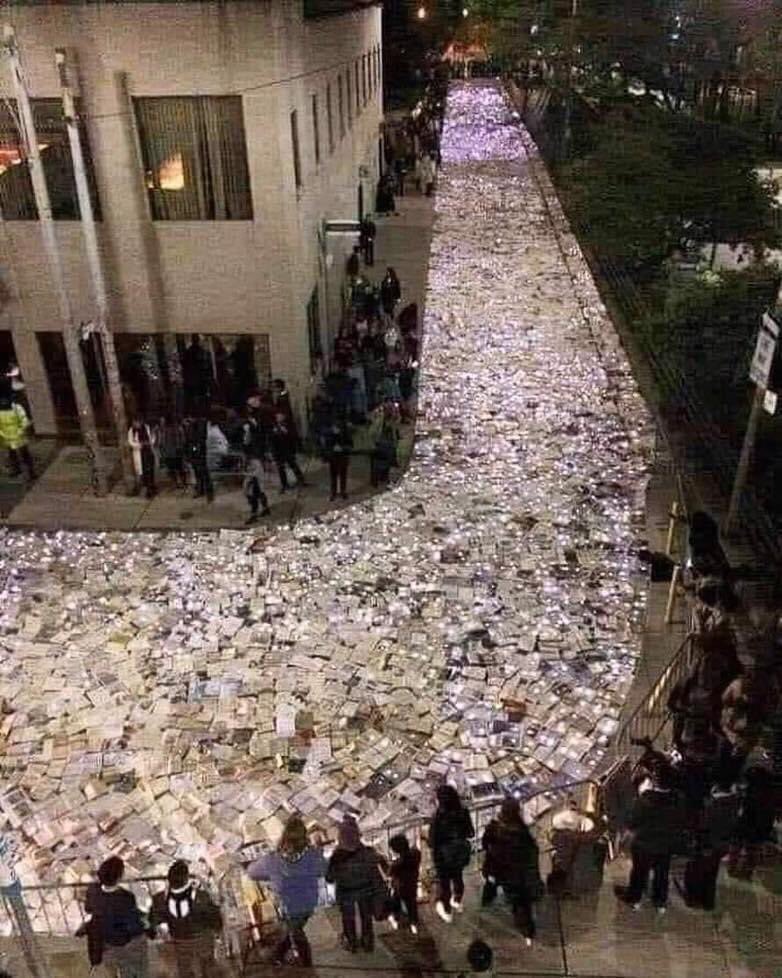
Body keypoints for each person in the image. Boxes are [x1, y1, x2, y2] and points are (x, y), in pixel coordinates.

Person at [248, 814, 327, 967]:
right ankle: (281, 955)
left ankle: (303, 961)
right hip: (308, 902)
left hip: (287, 905)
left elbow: (252, 872)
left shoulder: (273, 859)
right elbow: (323, 870)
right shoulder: (312, 855)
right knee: (293, 928)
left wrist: (270, 876)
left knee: (294, 930)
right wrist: (319, 850)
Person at [614, 766, 686, 913]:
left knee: (639, 872)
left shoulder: (646, 799)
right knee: (662, 873)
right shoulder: (677, 799)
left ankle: (634, 898)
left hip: (644, 843)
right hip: (665, 844)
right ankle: (660, 901)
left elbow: (633, 821)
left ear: (655, 781)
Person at [481, 798, 541, 945]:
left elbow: (484, 843)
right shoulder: (521, 831)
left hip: (496, 868)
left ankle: (487, 899)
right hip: (516, 874)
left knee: (490, 885)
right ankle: (527, 932)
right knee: (520, 903)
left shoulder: (494, 827)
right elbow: (532, 851)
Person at [80, 856, 150, 978]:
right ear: (119, 877)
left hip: (104, 940)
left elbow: (88, 908)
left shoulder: (93, 890)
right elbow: (133, 925)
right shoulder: (125, 897)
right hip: (122, 941)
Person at [150, 860, 222, 978]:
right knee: (208, 966)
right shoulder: (201, 896)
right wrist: (217, 930)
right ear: (186, 878)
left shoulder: (159, 899)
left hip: (179, 940)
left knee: (184, 967)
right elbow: (215, 919)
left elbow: (154, 920)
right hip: (202, 939)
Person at [326, 817, 387, 953]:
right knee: (366, 917)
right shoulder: (368, 853)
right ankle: (368, 943)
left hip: (345, 892)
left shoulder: (336, 857)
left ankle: (351, 942)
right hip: (365, 891)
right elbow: (375, 870)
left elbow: (329, 878)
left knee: (348, 918)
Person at [681, 777, 739, 910]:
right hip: (721, 845)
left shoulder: (713, 806)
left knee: (694, 871)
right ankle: (708, 902)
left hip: (707, 846)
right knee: (711, 874)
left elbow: (703, 827)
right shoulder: (733, 803)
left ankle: (692, 898)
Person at [429, 784, 474, 923]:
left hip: (442, 855)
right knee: (458, 876)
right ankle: (457, 900)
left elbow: (432, 840)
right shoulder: (463, 812)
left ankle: (447, 911)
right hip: (459, 852)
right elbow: (470, 833)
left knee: (445, 883)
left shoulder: (438, 817)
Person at [728, 765, 776, 879]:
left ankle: (733, 868)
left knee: (739, 845)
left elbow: (745, 809)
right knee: (751, 850)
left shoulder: (751, 793)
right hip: (759, 824)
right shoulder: (768, 793)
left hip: (748, 822)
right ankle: (746, 872)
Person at [386, 834, 421, 935]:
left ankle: (397, 920)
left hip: (400, 887)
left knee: (395, 902)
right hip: (412, 884)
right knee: (412, 904)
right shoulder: (415, 854)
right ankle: (414, 923)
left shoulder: (397, 864)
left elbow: (389, 873)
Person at [270, 411, 307, 492]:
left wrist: (294, 450)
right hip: (279, 452)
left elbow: (292, 439)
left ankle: (301, 480)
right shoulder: (274, 428)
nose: (281, 418)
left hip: (288, 451)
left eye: (282, 417)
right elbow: (272, 442)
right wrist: (274, 454)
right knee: (281, 469)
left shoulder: (288, 426)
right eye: (279, 417)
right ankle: (284, 485)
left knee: (294, 465)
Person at [0, 396, 34, 480]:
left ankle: (31, 472)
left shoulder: (17, 408)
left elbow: (24, 420)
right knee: (12, 454)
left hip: (19, 436)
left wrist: (20, 431)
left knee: (24, 454)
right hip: (8, 437)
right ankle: (16, 469)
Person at [184, 416, 214, 502]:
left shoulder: (200, 426)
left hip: (199, 454)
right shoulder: (190, 428)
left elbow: (199, 441)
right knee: (198, 473)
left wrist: (194, 449)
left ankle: (208, 493)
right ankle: (200, 490)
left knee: (204, 473)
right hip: (194, 454)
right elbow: (188, 441)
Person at [127, 417, 157, 499]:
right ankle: (147, 489)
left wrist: (149, 443)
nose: (135, 424)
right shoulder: (131, 431)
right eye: (134, 423)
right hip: (139, 453)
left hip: (148, 452)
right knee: (142, 473)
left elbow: (153, 437)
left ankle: (151, 489)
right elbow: (130, 442)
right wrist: (140, 445)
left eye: (137, 422)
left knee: (150, 471)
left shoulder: (147, 428)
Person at [324, 417, 352, 501]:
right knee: (333, 477)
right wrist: (332, 449)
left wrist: (342, 448)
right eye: (334, 428)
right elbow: (326, 446)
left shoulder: (345, 435)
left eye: (336, 428)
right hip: (333, 458)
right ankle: (334, 492)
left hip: (343, 457)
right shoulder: (329, 435)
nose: (335, 430)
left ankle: (343, 491)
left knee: (343, 476)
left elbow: (350, 445)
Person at [157, 414, 187, 490]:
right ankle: (177, 483)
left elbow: (182, 439)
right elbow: (162, 442)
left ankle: (181, 483)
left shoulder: (177, 428)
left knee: (178, 468)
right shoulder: (165, 430)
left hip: (175, 452)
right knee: (173, 469)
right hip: (170, 452)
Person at [243, 457, 271, 524]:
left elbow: (256, 474)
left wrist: (247, 476)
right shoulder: (247, 462)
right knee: (260, 495)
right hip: (252, 481)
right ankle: (266, 509)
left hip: (256, 482)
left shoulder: (256, 463)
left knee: (254, 499)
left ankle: (254, 516)